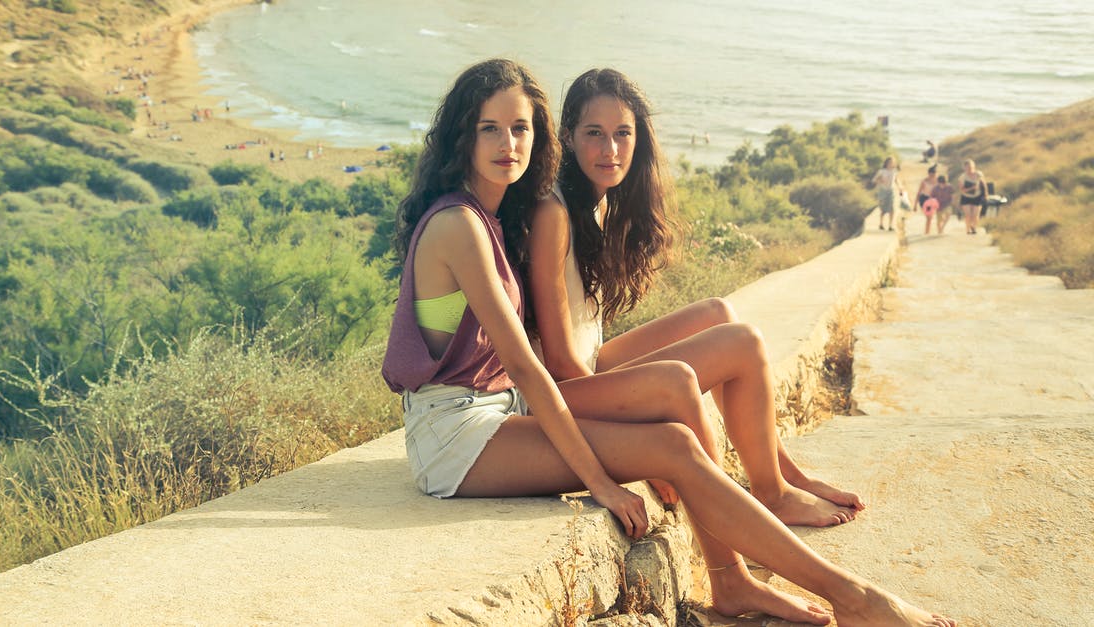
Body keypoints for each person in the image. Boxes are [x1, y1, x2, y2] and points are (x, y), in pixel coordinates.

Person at [381, 58, 954, 627]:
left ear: (538, 134)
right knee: (675, 416)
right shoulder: (459, 224)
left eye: (521, 127)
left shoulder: (492, 216)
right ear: (464, 134)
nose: (508, 142)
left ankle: (740, 582)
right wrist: (602, 483)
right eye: (490, 128)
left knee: (678, 443)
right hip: (453, 436)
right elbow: (531, 368)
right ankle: (853, 600)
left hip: (494, 413)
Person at [525, 68, 862, 528]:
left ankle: (783, 473)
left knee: (718, 314)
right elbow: (560, 362)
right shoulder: (553, 212)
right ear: (567, 136)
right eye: (594, 134)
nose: (610, 150)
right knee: (740, 343)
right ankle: (770, 495)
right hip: (559, 392)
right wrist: (640, 427)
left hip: (588, 368)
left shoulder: (597, 201)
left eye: (623, 134)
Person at [870, 156, 903, 231]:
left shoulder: (894, 171)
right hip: (882, 191)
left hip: (891, 191)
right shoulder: (881, 171)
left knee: (892, 208)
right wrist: (880, 181)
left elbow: (897, 180)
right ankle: (881, 224)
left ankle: (890, 225)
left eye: (892, 162)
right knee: (883, 209)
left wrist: (900, 188)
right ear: (886, 163)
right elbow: (873, 180)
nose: (891, 164)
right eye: (890, 162)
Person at [957, 159, 986, 235]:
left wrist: (986, 194)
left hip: (977, 196)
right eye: (968, 167)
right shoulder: (962, 177)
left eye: (971, 167)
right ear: (965, 168)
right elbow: (962, 190)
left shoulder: (979, 174)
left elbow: (983, 184)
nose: (970, 169)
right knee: (968, 214)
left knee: (976, 214)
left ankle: (974, 227)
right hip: (966, 197)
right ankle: (968, 229)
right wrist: (972, 188)